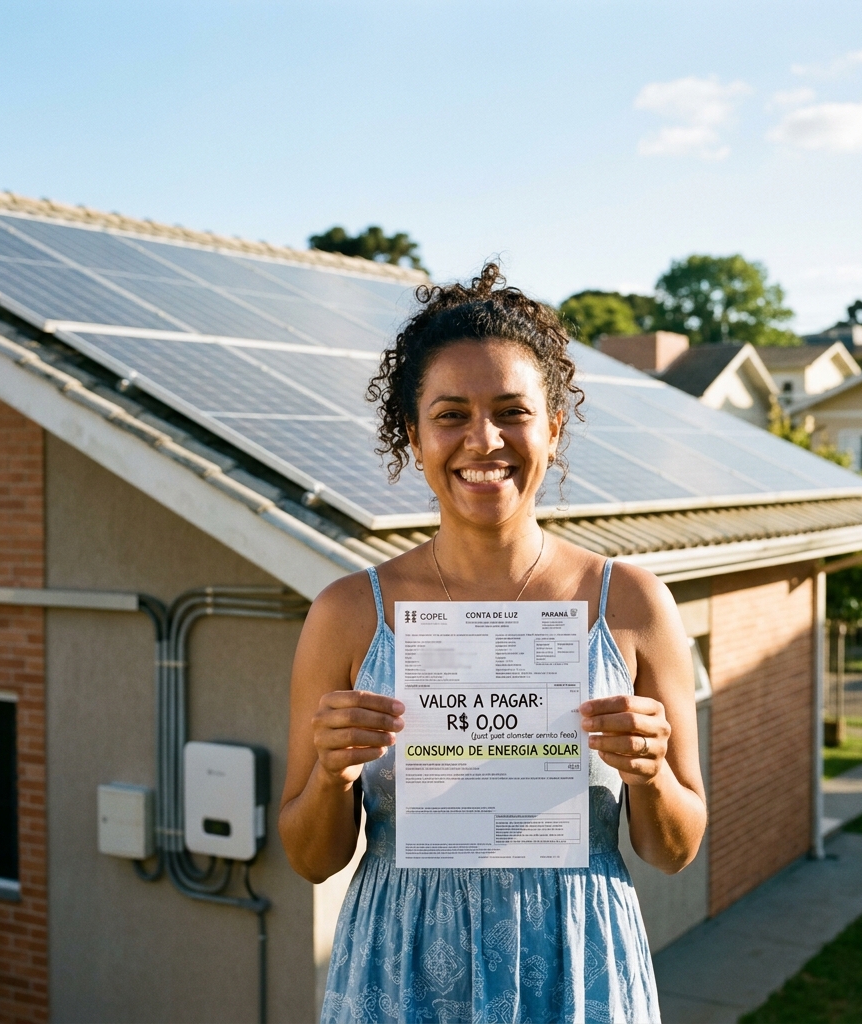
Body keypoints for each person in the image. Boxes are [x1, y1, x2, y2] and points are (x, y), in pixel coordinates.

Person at [279, 264, 706, 1024]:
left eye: (512, 411)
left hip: (577, 966)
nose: (484, 440)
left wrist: (649, 772)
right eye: (451, 415)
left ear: (553, 427)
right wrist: (333, 775)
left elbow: (674, 848)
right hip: (403, 966)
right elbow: (311, 859)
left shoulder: (633, 603)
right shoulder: (349, 613)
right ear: (413, 434)